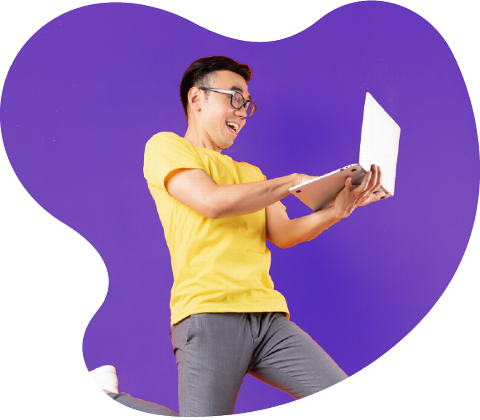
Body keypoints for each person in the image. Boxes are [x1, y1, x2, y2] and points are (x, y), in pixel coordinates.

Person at [95, 56, 384, 417]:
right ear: (196, 99)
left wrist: (336, 212)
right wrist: (290, 183)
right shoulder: (166, 147)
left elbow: (283, 233)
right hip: (208, 312)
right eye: (234, 97)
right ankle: (107, 401)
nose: (242, 111)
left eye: (247, 104)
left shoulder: (251, 173)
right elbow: (211, 201)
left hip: (267, 318)